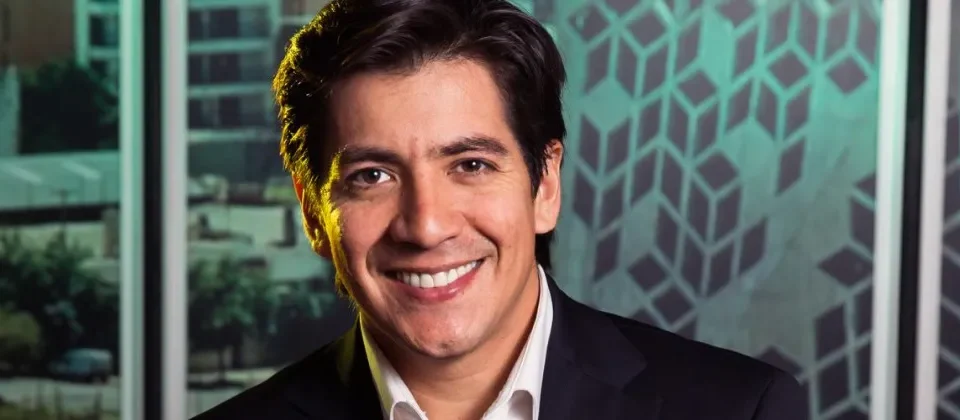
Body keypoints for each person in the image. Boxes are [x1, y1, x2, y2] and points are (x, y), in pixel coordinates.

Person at [193, 0, 806, 418]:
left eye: (471, 165)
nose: (427, 225)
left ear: (545, 186)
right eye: (373, 176)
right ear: (313, 214)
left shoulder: (737, 409)